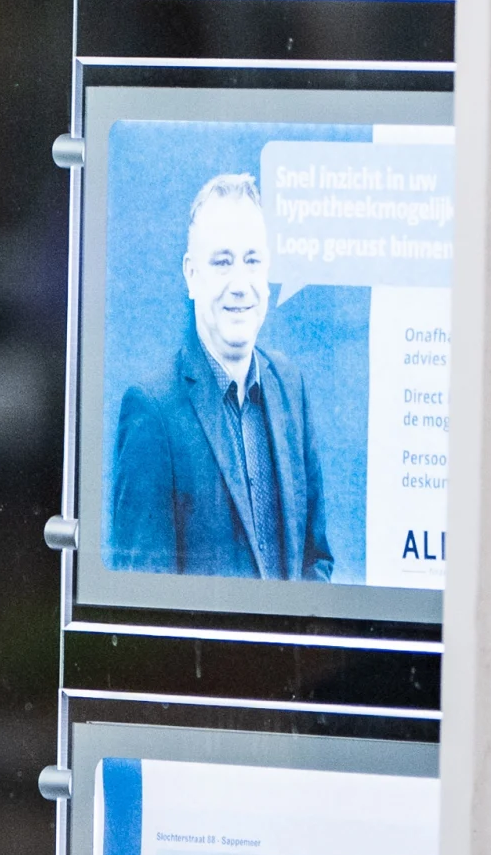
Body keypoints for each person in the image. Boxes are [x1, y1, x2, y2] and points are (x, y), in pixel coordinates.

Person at [106, 170, 338, 580]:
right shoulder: (151, 412)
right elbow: (144, 601)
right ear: (191, 275)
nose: (240, 284)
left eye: (252, 261)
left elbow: (316, 560)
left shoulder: (291, 390)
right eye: (222, 262)